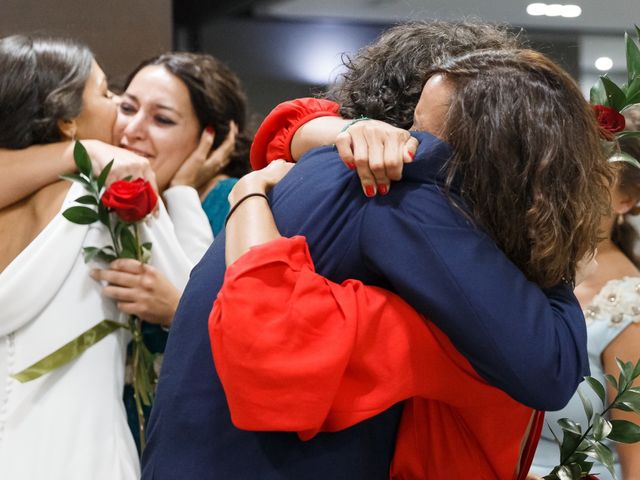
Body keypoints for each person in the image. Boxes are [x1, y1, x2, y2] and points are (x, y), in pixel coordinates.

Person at [142, 25, 609, 480]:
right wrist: (547, 236)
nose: (412, 142)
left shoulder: (320, 166)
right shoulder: (399, 191)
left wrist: (253, 189)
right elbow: (549, 367)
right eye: (413, 133)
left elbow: (290, 123)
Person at [0, 35, 196, 479]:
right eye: (107, 93)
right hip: (80, 456)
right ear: (68, 121)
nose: (119, 110)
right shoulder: (114, 197)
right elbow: (199, 301)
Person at [530, 106, 640, 479]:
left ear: (627, 200)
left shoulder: (630, 307)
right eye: (561, 173)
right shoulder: (525, 275)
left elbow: (635, 458)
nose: (569, 189)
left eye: (590, 180)